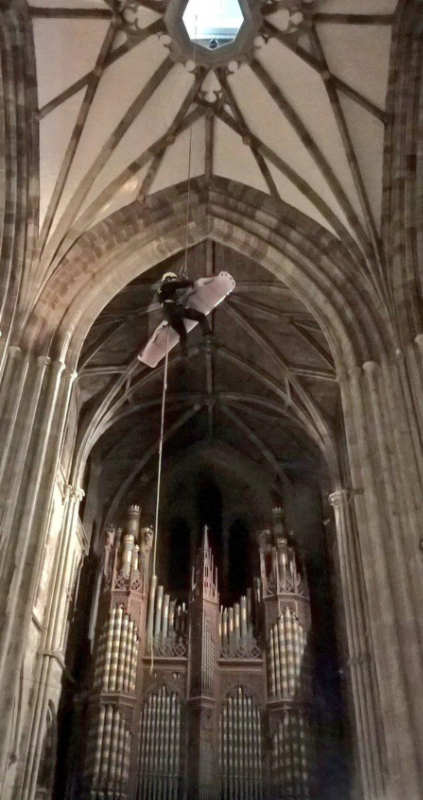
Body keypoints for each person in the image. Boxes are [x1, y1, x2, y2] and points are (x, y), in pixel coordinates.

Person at [157, 272, 211, 355]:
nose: (174, 281)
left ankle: (184, 353)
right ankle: (208, 337)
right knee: (201, 316)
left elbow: (176, 297)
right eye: (173, 279)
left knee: (183, 334)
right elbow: (178, 284)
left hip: (169, 315)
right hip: (174, 309)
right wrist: (190, 282)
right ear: (168, 279)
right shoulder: (166, 286)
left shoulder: (162, 291)